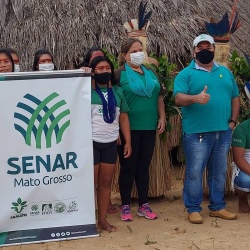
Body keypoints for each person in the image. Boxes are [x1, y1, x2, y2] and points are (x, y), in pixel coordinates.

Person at [173, 34, 240, 224]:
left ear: (214, 49)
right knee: (195, 171)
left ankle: (217, 207)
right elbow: (177, 98)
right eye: (200, 48)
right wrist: (195, 98)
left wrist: (233, 121)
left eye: (208, 47)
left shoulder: (225, 72)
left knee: (219, 171)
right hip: (196, 132)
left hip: (223, 131)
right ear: (194, 51)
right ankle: (193, 208)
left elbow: (235, 97)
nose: (204, 51)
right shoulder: (186, 74)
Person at [116, 38, 166, 221]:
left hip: (149, 127)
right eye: (134, 51)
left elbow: (159, 96)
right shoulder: (118, 74)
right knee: (128, 167)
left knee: (144, 167)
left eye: (140, 50)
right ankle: (126, 206)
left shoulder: (151, 72)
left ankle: (144, 205)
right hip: (128, 130)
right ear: (124, 55)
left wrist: (162, 116)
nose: (138, 54)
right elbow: (113, 102)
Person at [90, 56, 131, 232]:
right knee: (90, 184)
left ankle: (102, 220)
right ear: (93, 71)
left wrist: (127, 140)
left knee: (106, 182)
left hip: (110, 143)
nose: (104, 71)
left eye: (107, 68)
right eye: (100, 68)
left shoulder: (117, 91)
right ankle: (87, 220)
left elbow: (123, 116)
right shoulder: (85, 91)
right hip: (90, 143)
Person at [232, 117, 250, 214]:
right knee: (245, 180)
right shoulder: (242, 129)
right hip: (247, 162)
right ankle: (242, 199)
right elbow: (238, 158)